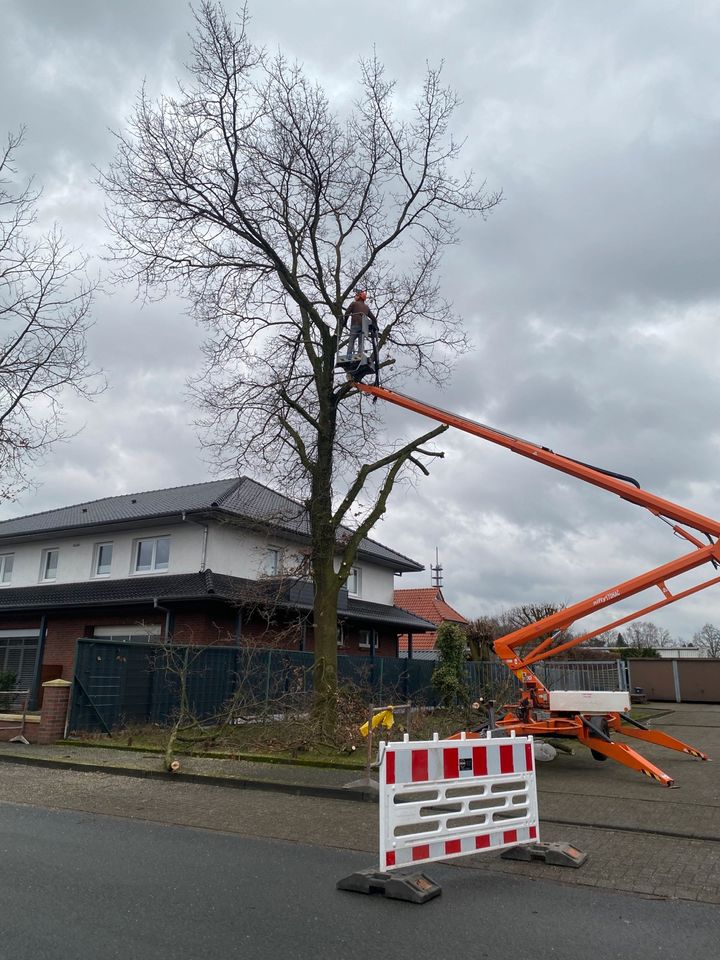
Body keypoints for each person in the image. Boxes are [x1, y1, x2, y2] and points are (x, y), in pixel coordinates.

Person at [343, 289, 377, 361]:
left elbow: (347, 313)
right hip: (363, 327)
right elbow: (374, 318)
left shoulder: (354, 304)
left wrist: (344, 322)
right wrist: (376, 326)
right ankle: (359, 356)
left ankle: (349, 356)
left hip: (355, 325)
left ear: (359, 297)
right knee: (361, 343)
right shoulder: (366, 307)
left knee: (351, 340)